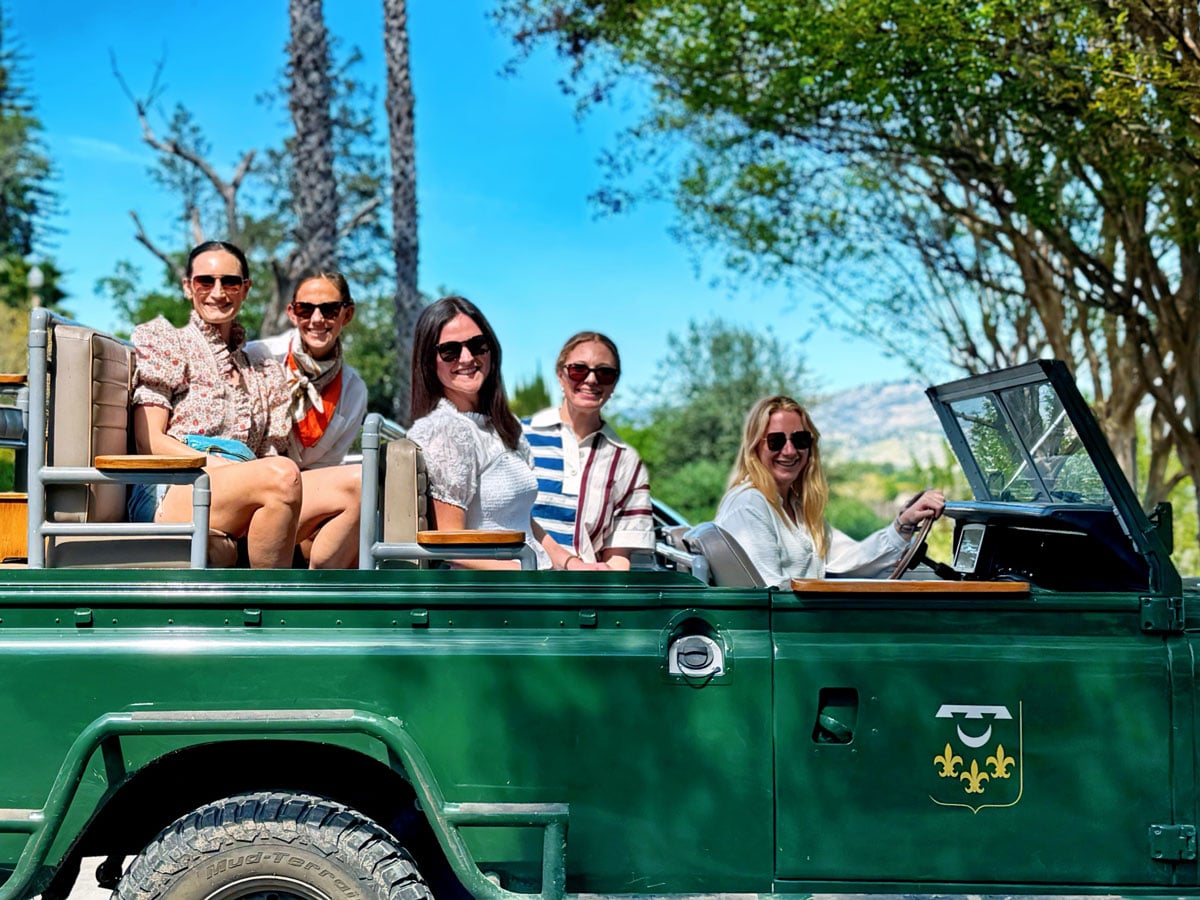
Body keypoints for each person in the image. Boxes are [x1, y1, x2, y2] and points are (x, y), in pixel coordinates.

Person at [130, 240, 360, 569]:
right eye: (205, 281)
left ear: (246, 289)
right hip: (174, 486)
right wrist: (228, 469)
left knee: (359, 485)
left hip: (250, 485)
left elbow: (272, 455)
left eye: (231, 282)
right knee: (280, 476)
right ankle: (271, 607)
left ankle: (321, 596)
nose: (218, 292)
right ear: (187, 287)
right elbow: (149, 441)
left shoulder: (260, 367)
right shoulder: (169, 342)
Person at [406, 296, 603, 571]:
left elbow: (524, 522)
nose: (467, 358)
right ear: (429, 361)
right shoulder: (445, 432)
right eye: (450, 351)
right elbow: (449, 544)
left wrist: (571, 563)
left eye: (477, 345)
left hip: (532, 582)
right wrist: (527, 576)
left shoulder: (501, 424)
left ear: (491, 349)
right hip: (498, 598)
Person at [714, 395, 945, 586]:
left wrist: (903, 524)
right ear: (755, 446)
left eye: (800, 439)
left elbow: (849, 559)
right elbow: (769, 595)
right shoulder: (749, 504)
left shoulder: (795, 507)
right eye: (776, 441)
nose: (790, 450)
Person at [523, 331, 653, 570]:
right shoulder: (518, 437)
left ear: (614, 383)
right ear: (560, 375)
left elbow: (618, 554)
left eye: (604, 373)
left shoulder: (625, 461)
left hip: (582, 597)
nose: (591, 380)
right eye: (579, 370)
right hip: (518, 589)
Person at [245, 272, 367, 469]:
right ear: (292, 314)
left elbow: (326, 468)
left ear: (348, 314)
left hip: (306, 487)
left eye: (330, 310)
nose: (317, 319)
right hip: (248, 472)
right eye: (305, 309)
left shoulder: (354, 390)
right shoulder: (257, 357)